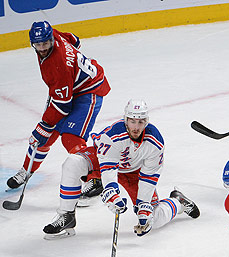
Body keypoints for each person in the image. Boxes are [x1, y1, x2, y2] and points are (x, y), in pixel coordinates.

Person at [43, 99, 200, 239]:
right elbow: (108, 166)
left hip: (134, 173)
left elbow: (150, 174)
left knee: (151, 220)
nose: (136, 127)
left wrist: (143, 204)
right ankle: (66, 215)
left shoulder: (155, 141)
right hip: (105, 164)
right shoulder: (112, 135)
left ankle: (177, 202)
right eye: (132, 121)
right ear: (126, 120)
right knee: (72, 163)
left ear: (146, 121)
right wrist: (111, 191)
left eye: (140, 122)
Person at [7, 21, 110, 198]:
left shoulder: (58, 64)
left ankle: (95, 178)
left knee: (70, 138)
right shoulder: (52, 34)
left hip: (88, 91)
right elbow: (74, 40)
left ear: (51, 41)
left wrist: (43, 126)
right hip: (71, 88)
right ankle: (27, 170)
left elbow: (62, 106)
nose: (42, 48)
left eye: (45, 44)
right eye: (38, 44)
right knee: (45, 138)